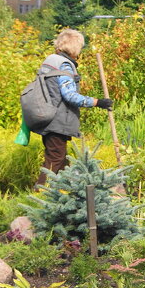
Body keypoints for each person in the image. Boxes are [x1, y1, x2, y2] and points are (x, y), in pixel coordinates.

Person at [33, 28, 112, 186]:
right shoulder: (64, 65)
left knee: (61, 161)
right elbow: (70, 95)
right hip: (56, 121)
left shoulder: (50, 61)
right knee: (55, 159)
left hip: (46, 117)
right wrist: (98, 102)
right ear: (75, 47)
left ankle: (65, 195)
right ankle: (40, 197)